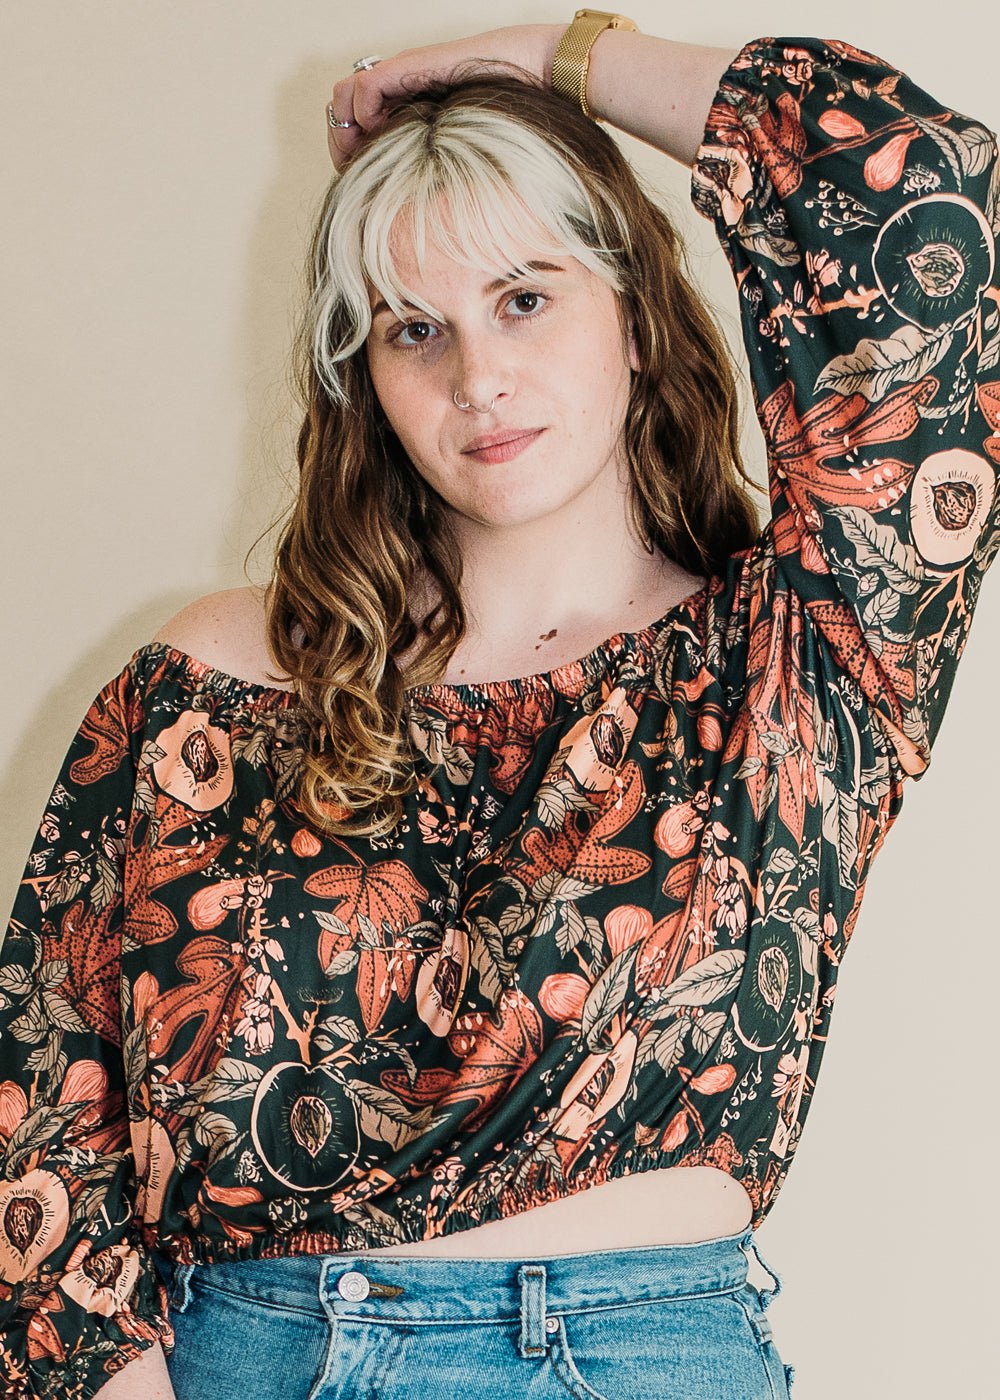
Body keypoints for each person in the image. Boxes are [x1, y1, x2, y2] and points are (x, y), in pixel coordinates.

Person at [0, 14, 997, 1400]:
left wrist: (559, 63)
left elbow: (920, 185)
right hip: (246, 1356)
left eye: (524, 298)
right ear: (366, 380)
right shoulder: (211, 682)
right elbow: (47, 1098)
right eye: (416, 329)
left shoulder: (796, 659)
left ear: (633, 315)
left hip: (627, 1358)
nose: (478, 379)